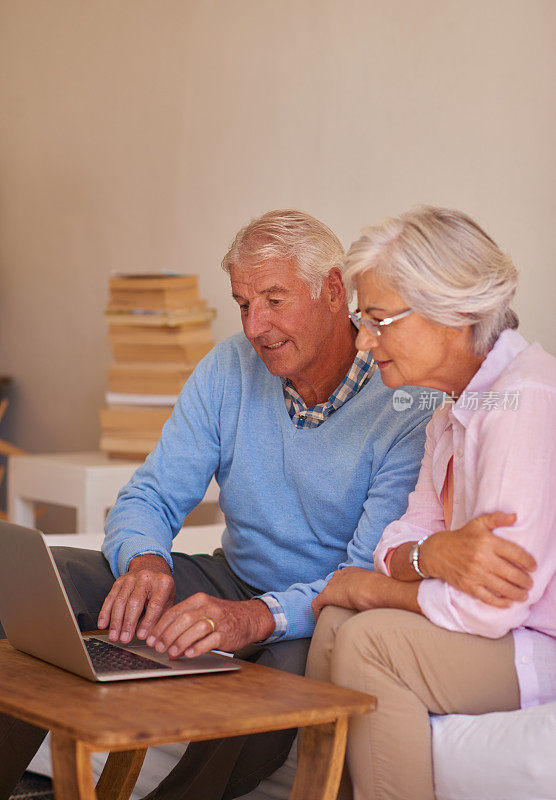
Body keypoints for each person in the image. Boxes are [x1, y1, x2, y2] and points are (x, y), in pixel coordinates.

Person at [0, 209, 436, 800]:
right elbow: (151, 493)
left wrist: (257, 617)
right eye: (243, 303)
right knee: (49, 582)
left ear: (334, 292)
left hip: (323, 610)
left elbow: (361, 574)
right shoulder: (229, 367)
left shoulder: (404, 402)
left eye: (275, 300)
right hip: (233, 577)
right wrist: (146, 561)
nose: (256, 326)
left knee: (277, 688)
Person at [306, 205, 556, 800]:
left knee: (368, 639)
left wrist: (371, 587)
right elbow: (397, 541)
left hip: (537, 644)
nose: (363, 343)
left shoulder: (523, 404)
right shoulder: (451, 409)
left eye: (379, 320)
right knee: (336, 622)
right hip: (502, 635)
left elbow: (491, 610)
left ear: (455, 312)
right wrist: (432, 555)